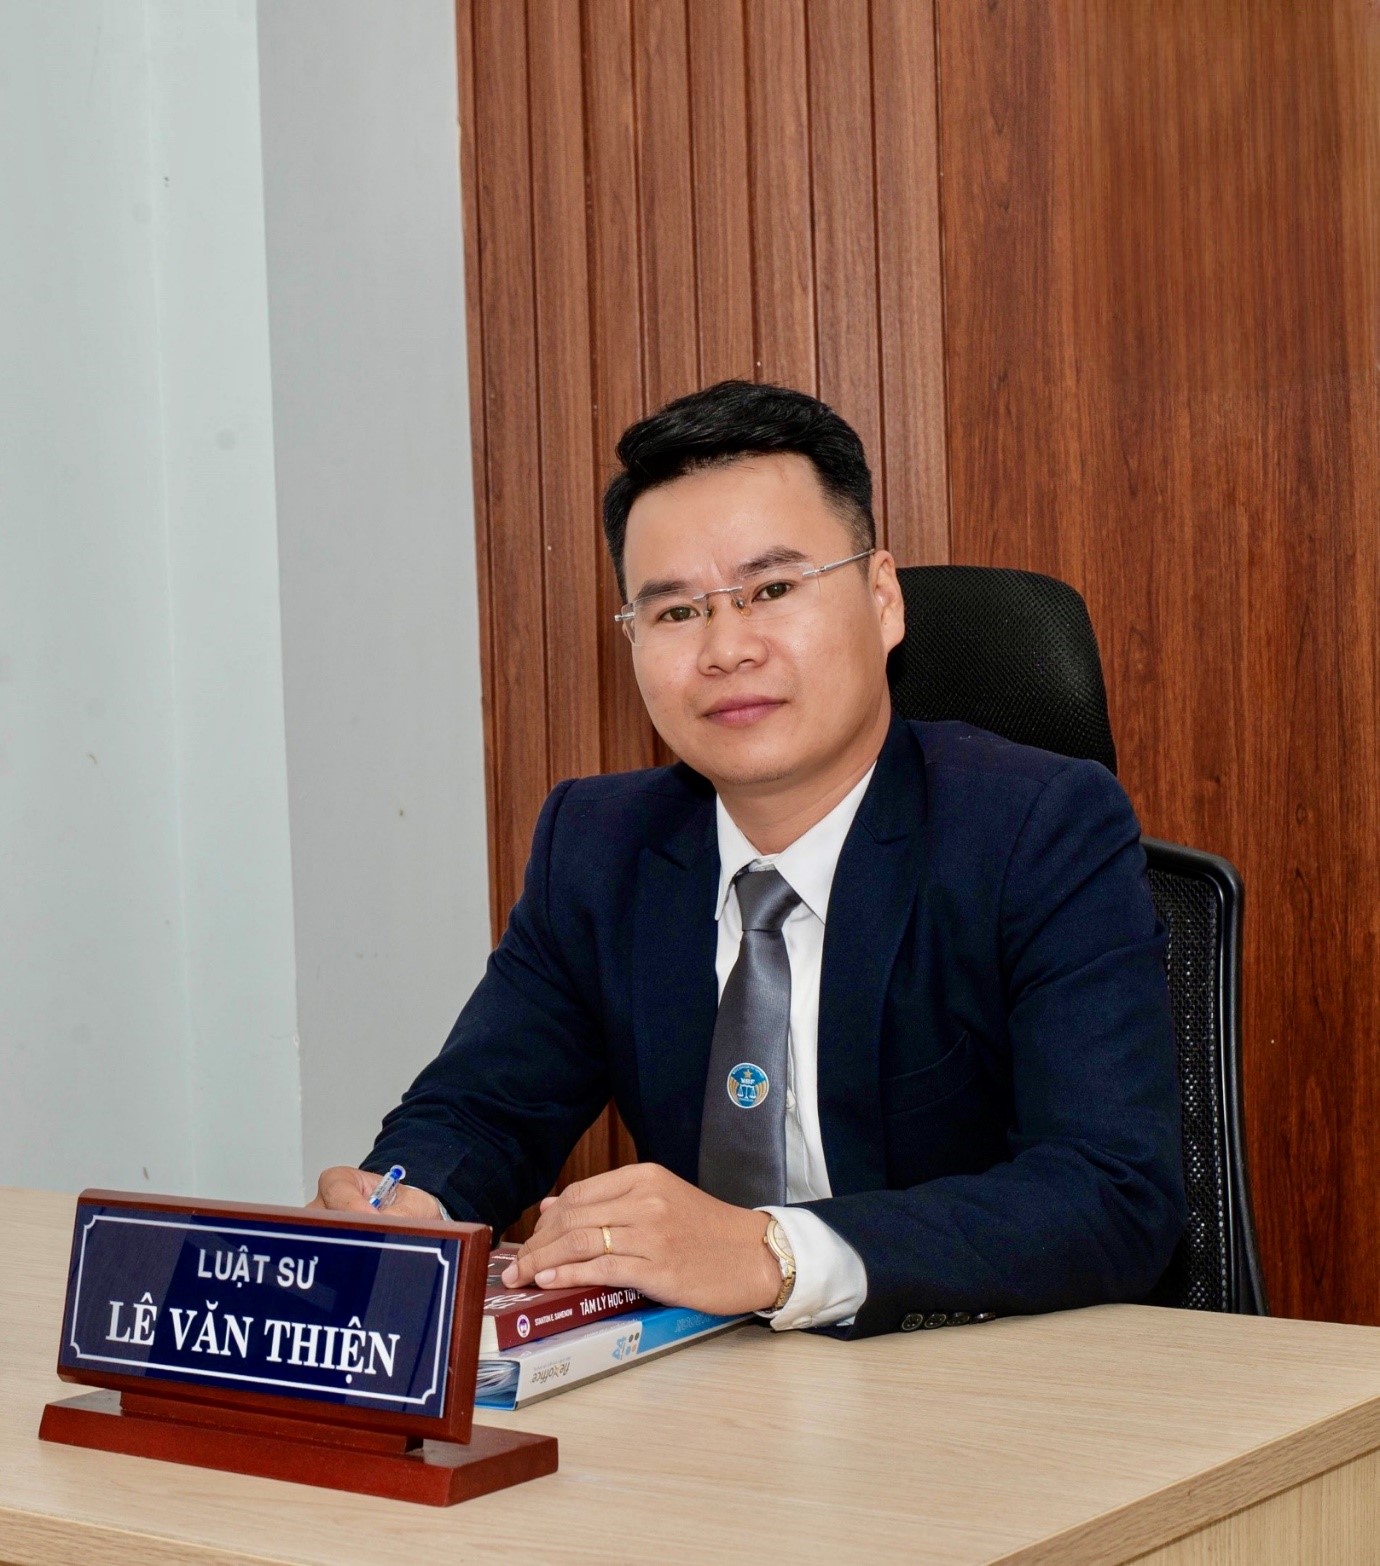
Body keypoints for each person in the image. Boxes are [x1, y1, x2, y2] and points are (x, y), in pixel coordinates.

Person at [311, 380, 1185, 1338]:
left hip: (979, 1378)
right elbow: (481, 1110)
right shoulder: (599, 846)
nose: (726, 649)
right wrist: (408, 1203)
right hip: (709, 1390)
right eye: (675, 613)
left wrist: (772, 1253)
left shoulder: (1039, 829)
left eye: (771, 590)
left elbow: (1110, 1191)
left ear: (882, 599)